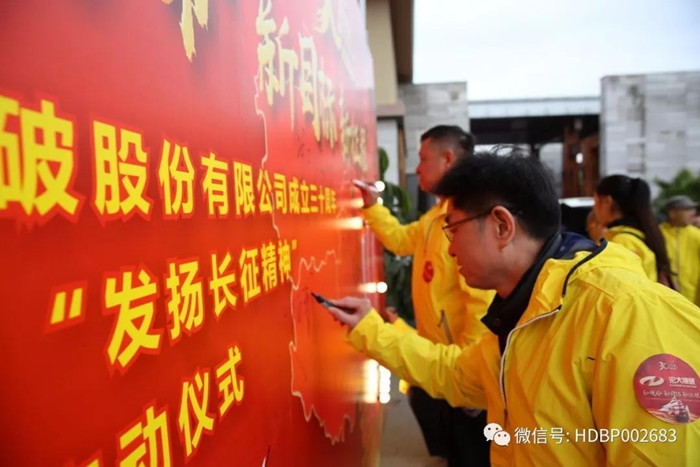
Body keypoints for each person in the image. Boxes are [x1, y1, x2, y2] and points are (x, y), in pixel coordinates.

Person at [326, 150, 700, 465]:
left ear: (501, 226)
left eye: (453, 230)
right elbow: (455, 374)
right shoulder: (521, 316)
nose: (450, 248)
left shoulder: (628, 313)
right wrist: (369, 328)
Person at [354, 125, 494, 465]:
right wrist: (372, 207)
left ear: (447, 159)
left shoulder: (468, 219)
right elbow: (401, 240)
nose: (417, 169)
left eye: (422, 158)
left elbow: (482, 303)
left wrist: (471, 380)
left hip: (461, 374)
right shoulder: (435, 217)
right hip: (441, 367)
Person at [593, 175, 674, 286]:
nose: (594, 209)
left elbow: (617, 288)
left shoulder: (622, 241)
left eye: (595, 202)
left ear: (607, 201)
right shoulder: (639, 234)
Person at [660, 195, 700, 306]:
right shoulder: (658, 234)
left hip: (694, 300)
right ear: (672, 213)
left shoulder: (696, 235)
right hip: (666, 298)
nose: (693, 213)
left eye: (693, 209)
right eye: (687, 209)